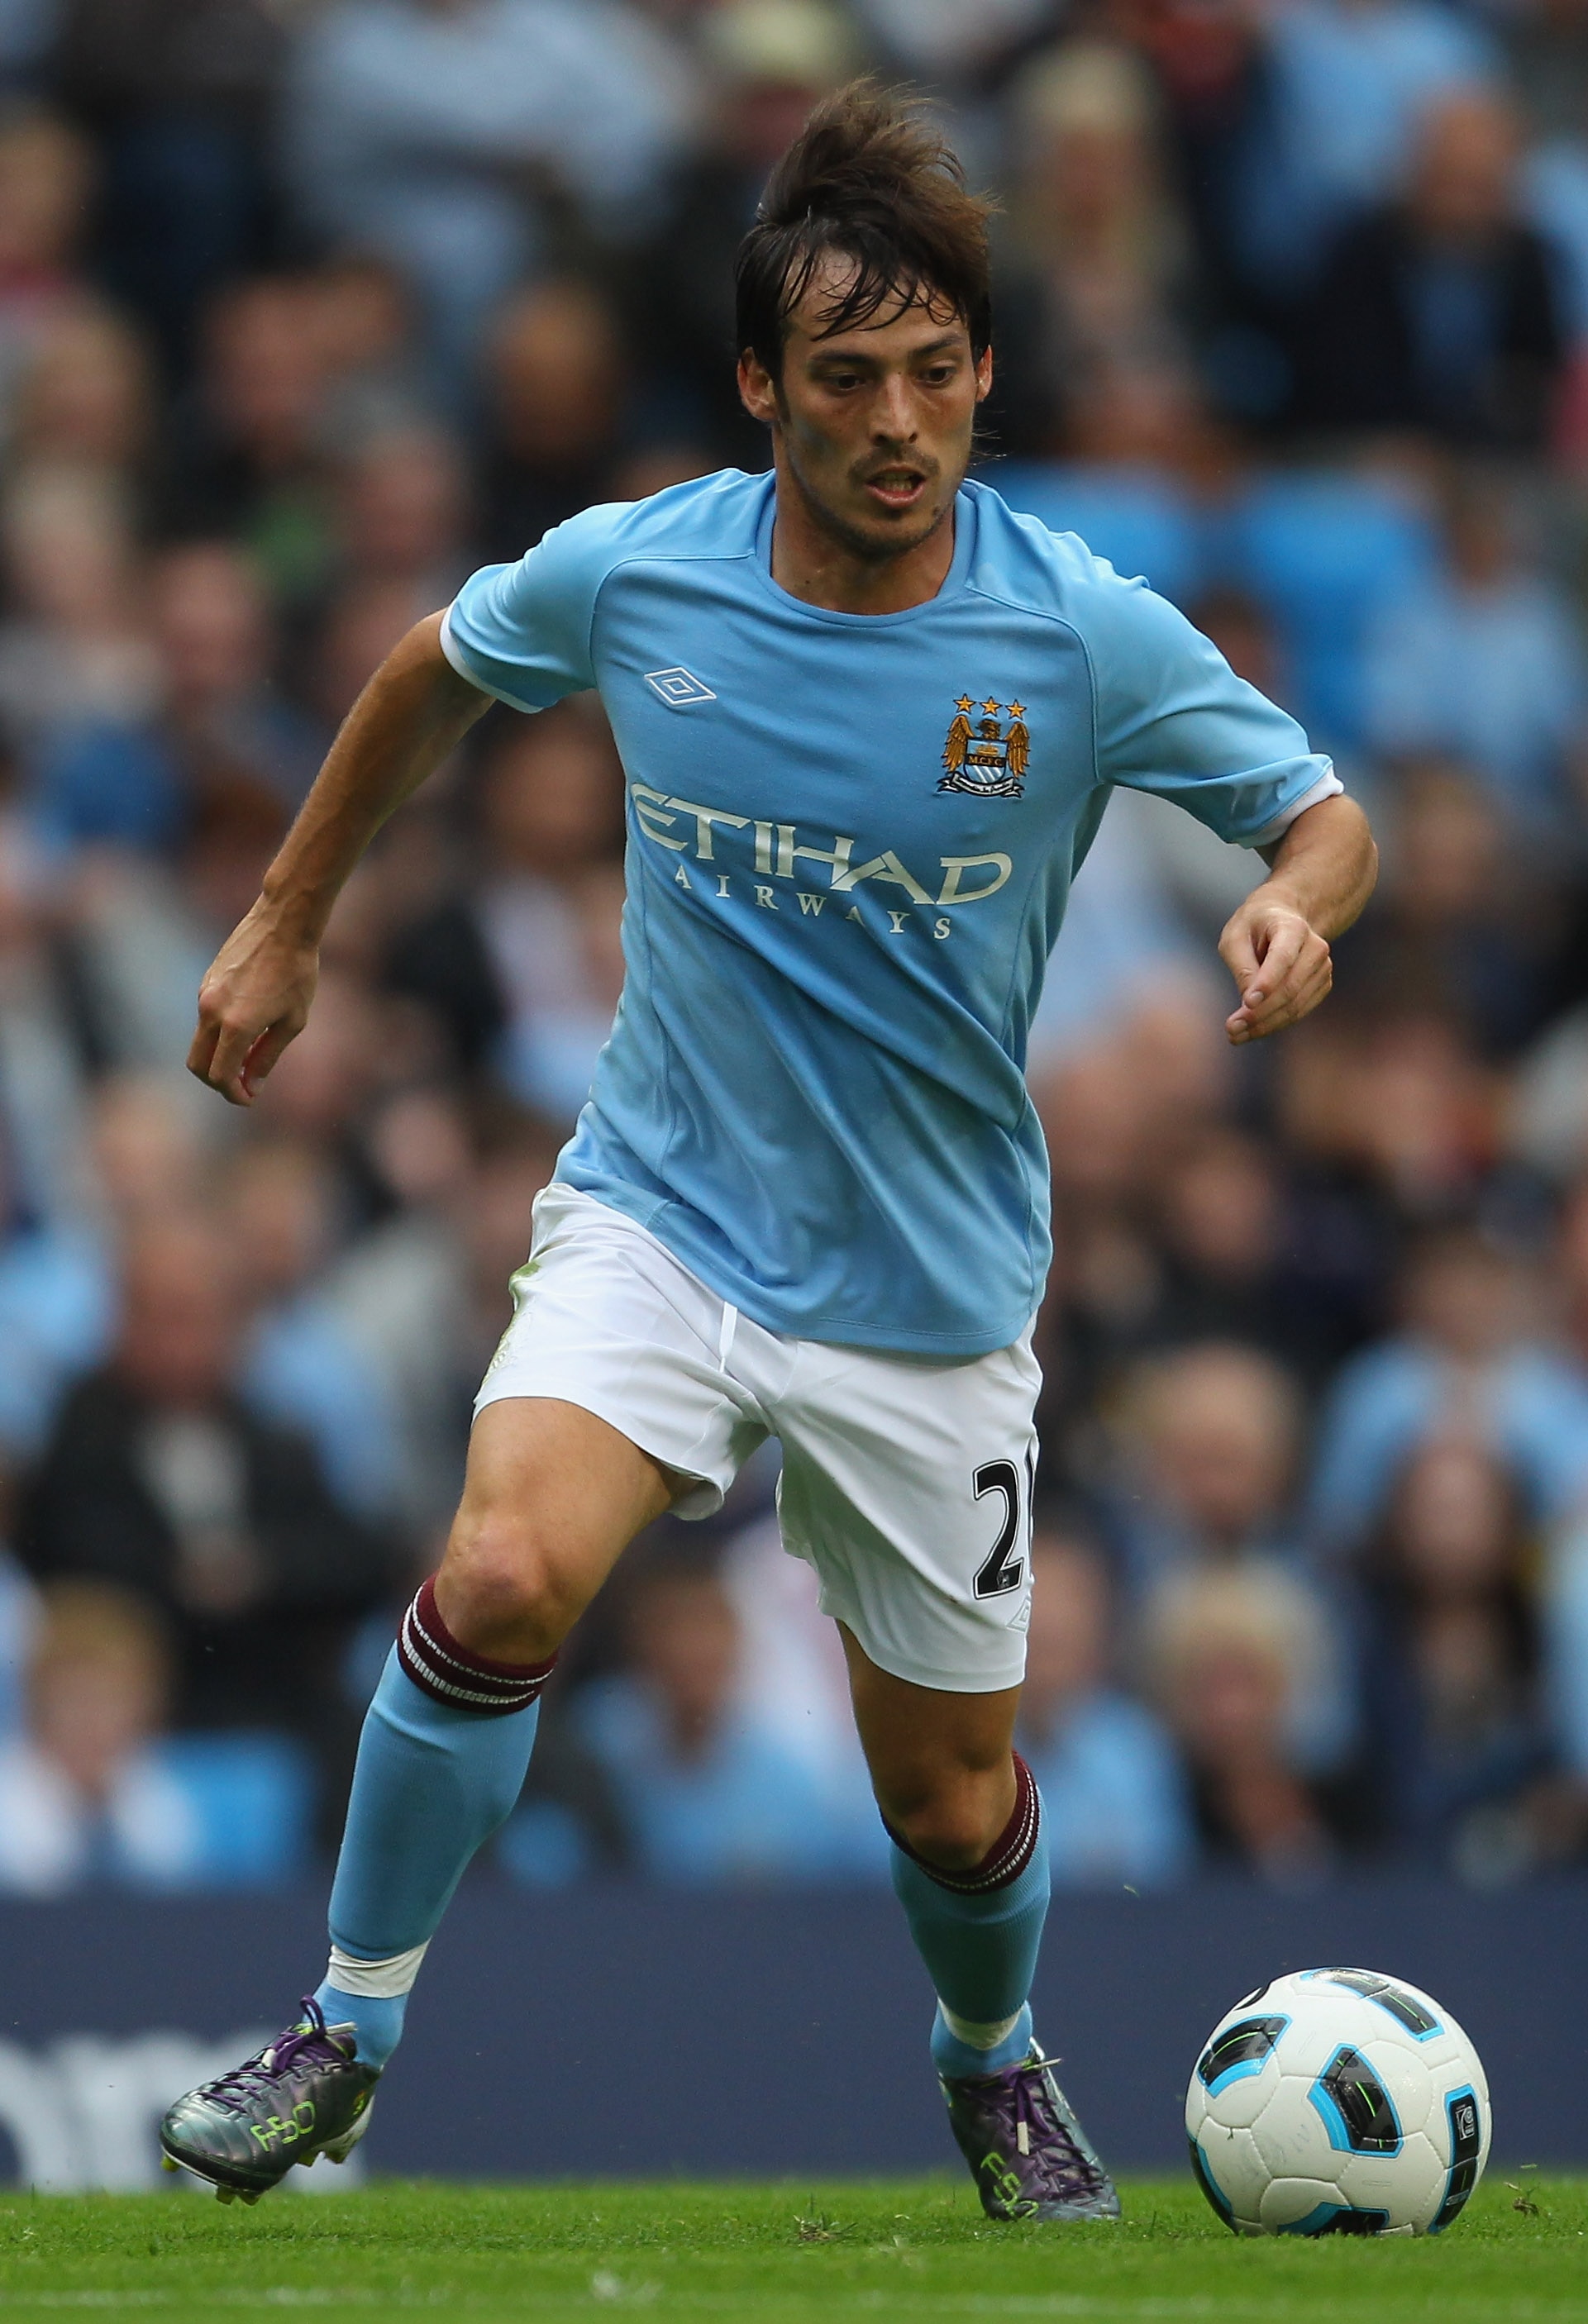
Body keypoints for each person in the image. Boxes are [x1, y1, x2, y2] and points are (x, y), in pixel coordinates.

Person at [161, 85, 1376, 2222]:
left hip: (926, 1290)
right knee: (501, 1573)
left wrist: (1296, 905)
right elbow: (432, 667)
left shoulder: (1073, 627)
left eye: (935, 372)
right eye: (846, 376)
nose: (898, 422)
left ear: (985, 372)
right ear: (760, 387)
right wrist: (285, 915)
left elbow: (1325, 812)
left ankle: (991, 2059)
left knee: (950, 1800)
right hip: (663, 1215)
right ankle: (343, 2031)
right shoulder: (645, 571)